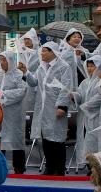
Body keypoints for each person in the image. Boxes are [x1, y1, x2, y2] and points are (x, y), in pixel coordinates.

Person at [28, 43, 72, 175]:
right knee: (45, 138)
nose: (42, 54)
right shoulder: (41, 67)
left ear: (53, 52)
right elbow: (33, 82)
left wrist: (62, 106)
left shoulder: (63, 67)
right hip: (43, 108)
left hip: (56, 107)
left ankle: (59, 168)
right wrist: (25, 72)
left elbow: (66, 87)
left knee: (57, 139)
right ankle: (49, 166)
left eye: (44, 51)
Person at [0, 51, 28, 173]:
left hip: (14, 113)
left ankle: (19, 167)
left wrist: (3, 95)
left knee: (15, 139)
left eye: (4, 60)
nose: (2, 63)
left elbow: (21, 91)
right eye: (0, 60)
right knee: (0, 139)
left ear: (11, 61)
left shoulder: (18, 75)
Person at [70, 55, 101, 169]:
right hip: (85, 117)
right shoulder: (85, 82)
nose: (90, 68)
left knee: (97, 141)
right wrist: (74, 96)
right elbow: (81, 95)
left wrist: (86, 105)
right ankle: (89, 165)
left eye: (92, 66)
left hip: (97, 116)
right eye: (88, 66)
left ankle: (98, 166)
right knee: (87, 140)